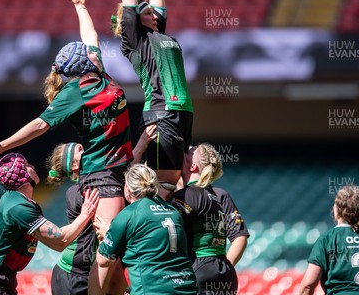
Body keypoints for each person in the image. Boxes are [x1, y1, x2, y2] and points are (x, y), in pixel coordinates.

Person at [0, 0, 133, 294]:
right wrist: (3, 146)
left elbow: (91, 38)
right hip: (101, 176)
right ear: (82, 66)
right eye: (87, 55)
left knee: (117, 257)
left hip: (117, 172)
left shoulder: (97, 70)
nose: (92, 52)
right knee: (107, 254)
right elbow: (39, 126)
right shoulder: (75, 91)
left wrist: (80, 5)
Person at [102, 0, 193, 198]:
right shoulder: (136, 41)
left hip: (181, 111)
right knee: (164, 185)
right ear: (132, 21)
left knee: (179, 183)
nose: (154, 13)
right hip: (161, 113)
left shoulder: (157, 31)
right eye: (146, 12)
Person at [0, 153, 99, 295]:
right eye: (27, 165)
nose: (32, 166)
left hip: (0, 278)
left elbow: (58, 238)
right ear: (22, 177)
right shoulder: (18, 207)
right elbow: (60, 240)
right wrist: (86, 214)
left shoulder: (18, 201)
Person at [46, 125, 157, 295]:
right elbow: (119, 179)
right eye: (81, 149)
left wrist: (142, 143)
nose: (90, 149)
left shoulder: (99, 182)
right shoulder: (78, 191)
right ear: (75, 164)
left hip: (93, 272)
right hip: (73, 275)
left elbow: (120, 177)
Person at [95, 164, 197, 295]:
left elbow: (104, 260)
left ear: (127, 189)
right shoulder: (173, 212)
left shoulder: (127, 215)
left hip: (152, 291)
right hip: (187, 289)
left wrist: (107, 234)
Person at [169, 144, 249, 295]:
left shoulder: (184, 196)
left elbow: (165, 231)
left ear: (193, 166)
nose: (184, 154)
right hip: (224, 272)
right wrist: (225, 265)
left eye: (189, 153)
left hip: (196, 267)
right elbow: (240, 237)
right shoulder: (221, 195)